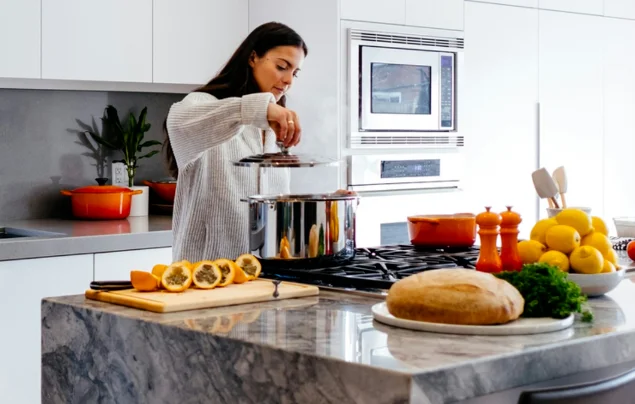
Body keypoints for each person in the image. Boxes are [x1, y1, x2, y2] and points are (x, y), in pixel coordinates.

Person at [163, 22, 309, 263]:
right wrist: (258, 109)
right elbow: (178, 120)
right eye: (282, 67)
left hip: (265, 275)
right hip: (205, 275)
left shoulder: (273, 128)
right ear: (253, 57)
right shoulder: (201, 104)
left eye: (294, 72)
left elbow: (274, 206)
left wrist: (326, 205)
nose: (288, 80)